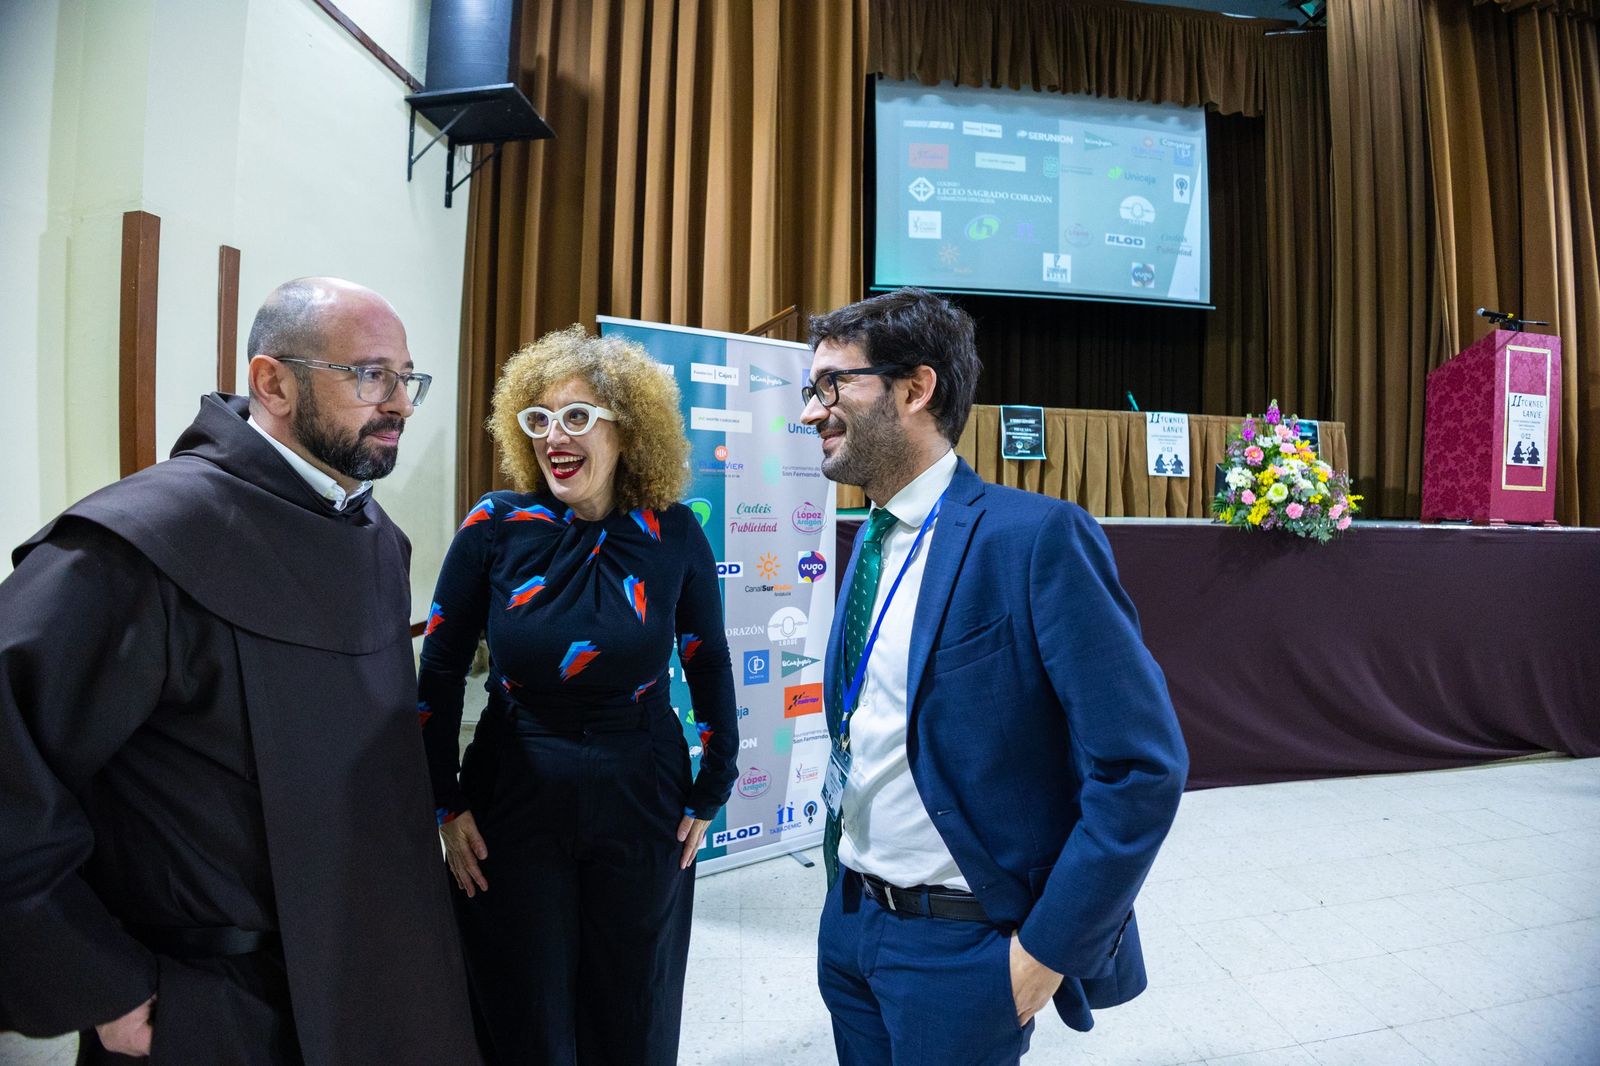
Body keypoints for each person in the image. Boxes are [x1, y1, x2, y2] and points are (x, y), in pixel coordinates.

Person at [0, 278, 478, 1063]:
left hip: (381, 976)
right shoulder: (140, 543)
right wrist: (98, 982)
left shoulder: (377, 541)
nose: (398, 402)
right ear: (272, 382)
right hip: (216, 1007)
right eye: (369, 374)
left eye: (406, 378)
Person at [801, 288, 1189, 1065]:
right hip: (849, 923)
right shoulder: (870, 540)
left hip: (964, 950)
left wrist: (1044, 954)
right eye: (812, 391)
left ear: (915, 389)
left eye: (834, 385)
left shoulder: (1035, 538)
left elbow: (1143, 766)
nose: (814, 412)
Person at [417, 325, 738, 1066]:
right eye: (539, 419)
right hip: (514, 793)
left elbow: (708, 661)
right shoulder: (495, 527)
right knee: (523, 1005)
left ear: (629, 429)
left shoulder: (674, 533)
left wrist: (712, 786)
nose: (554, 437)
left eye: (577, 417)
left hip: (643, 790)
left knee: (633, 999)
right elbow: (437, 673)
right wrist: (443, 800)